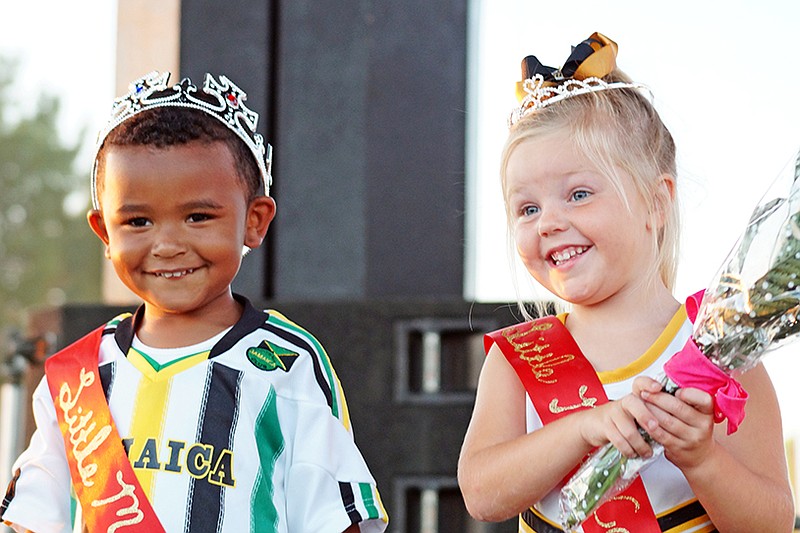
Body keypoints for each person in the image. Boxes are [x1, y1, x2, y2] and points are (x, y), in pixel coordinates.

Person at [1, 71, 388, 533]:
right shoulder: (77, 376)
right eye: (139, 222)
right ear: (105, 233)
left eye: (198, 216)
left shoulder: (287, 364)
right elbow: (32, 520)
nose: (167, 245)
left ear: (254, 221)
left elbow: (334, 517)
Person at [458, 33, 795, 532]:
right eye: (527, 208)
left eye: (577, 194)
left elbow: (772, 524)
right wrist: (581, 427)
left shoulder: (717, 354)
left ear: (656, 203)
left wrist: (702, 460)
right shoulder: (518, 358)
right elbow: (482, 493)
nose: (547, 221)